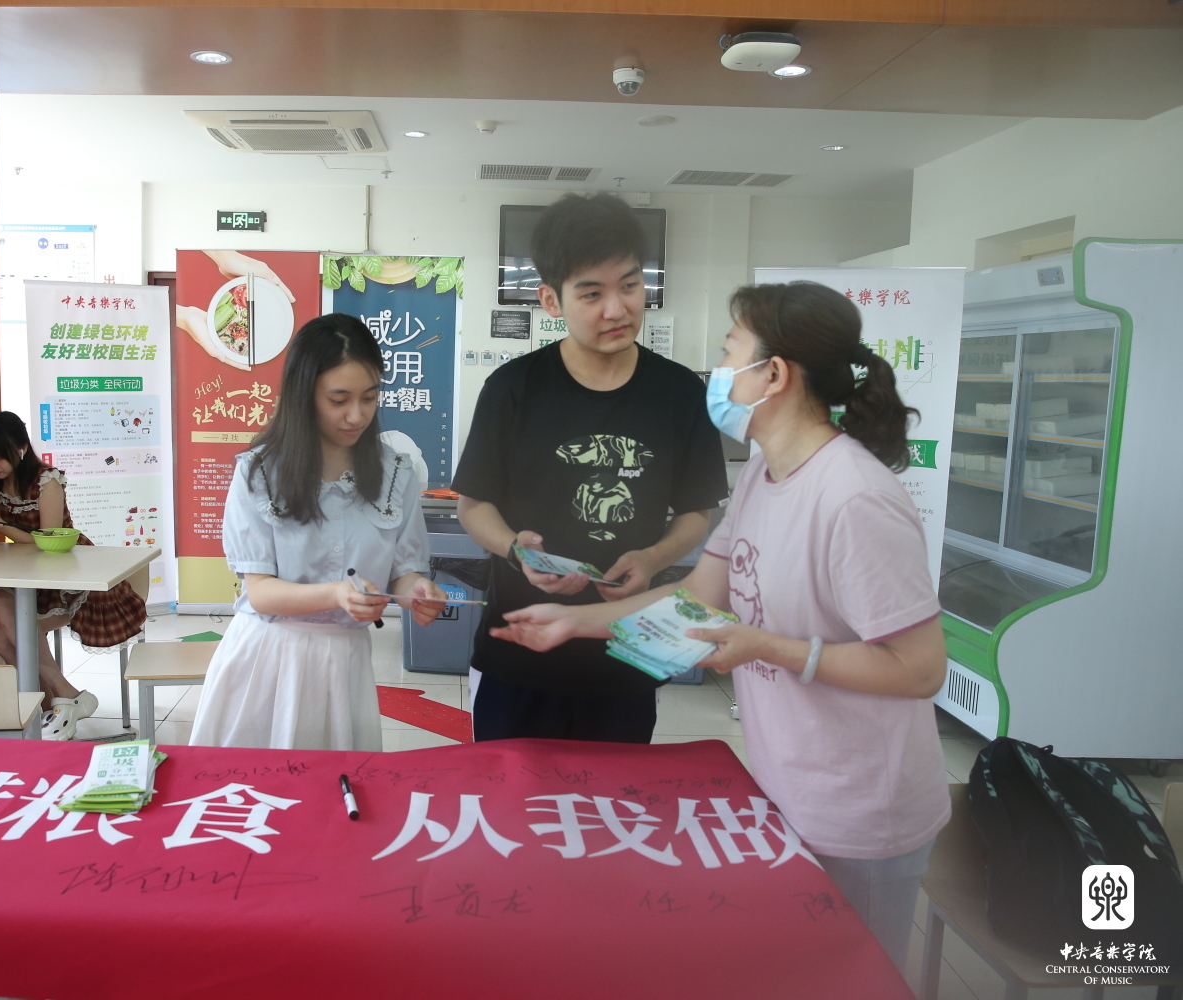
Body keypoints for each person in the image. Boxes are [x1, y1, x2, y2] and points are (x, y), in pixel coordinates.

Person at [492, 280, 950, 971]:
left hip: (859, 807)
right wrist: (571, 621)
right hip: (785, 783)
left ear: (774, 375)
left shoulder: (855, 498)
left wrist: (768, 647)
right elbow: (698, 597)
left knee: (855, 978)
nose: (717, 370)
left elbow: (919, 670)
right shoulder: (764, 477)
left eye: (730, 351)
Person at [452, 193, 728, 744]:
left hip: (626, 654)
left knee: (615, 795)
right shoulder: (512, 389)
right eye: (592, 293)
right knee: (512, 794)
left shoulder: (678, 393)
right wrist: (515, 549)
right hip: (519, 651)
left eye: (630, 285)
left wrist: (653, 557)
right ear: (551, 299)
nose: (617, 309)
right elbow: (473, 504)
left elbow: (698, 511)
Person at [189, 313, 447, 751]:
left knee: (336, 785)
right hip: (268, 659)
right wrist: (336, 594)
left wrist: (417, 591)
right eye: (339, 399)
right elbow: (261, 593)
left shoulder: (395, 474)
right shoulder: (260, 473)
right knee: (254, 785)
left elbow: (403, 572)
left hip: (345, 662)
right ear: (304, 395)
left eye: (369, 398)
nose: (357, 415)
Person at [0, 412, 149, 740]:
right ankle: (61, 702)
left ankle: (59, 704)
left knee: (0, 611)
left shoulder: (47, 480)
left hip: (69, 571)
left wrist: (0, 525)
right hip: (30, 573)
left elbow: (47, 540)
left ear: (21, 448)